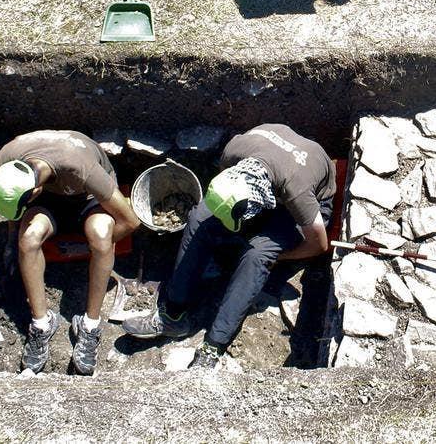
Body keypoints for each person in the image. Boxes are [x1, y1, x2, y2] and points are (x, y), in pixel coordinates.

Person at [123, 124, 335, 368]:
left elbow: (318, 244)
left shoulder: (297, 191)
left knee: (257, 254)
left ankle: (214, 344)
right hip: (259, 183)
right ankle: (173, 314)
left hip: (298, 205)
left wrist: (280, 257)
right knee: (199, 218)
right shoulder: (234, 150)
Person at [0, 130, 142, 375]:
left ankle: (90, 326)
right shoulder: (5, 160)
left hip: (88, 196)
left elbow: (130, 222)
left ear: (35, 191)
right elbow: (13, 214)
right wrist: (12, 241)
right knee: (28, 239)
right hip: (50, 201)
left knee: (102, 237)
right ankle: (41, 324)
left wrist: (89, 249)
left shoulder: (80, 166)